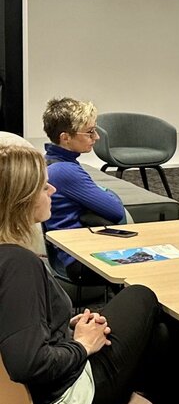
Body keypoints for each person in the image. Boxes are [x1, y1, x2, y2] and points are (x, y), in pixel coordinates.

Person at [0, 144, 179, 404]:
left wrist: (62, 330)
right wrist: (82, 345)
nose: (52, 190)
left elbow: (14, 329)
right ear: (21, 198)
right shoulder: (18, 264)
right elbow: (28, 365)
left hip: (23, 402)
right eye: (43, 187)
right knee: (142, 295)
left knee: (159, 336)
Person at [41, 97, 126, 283]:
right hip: (80, 260)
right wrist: (105, 191)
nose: (96, 137)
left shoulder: (51, 162)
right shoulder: (65, 171)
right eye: (90, 132)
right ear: (65, 138)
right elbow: (116, 211)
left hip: (72, 254)